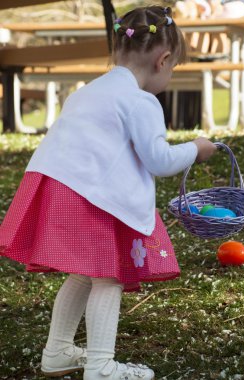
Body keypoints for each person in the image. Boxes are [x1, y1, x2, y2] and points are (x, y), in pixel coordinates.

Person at [0, 6, 216, 380]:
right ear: (163, 60)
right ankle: (100, 365)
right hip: (90, 195)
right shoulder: (141, 101)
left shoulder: (89, 91)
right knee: (110, 276)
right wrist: (196, 148)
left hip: (56, 186)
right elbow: (159, 160)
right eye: (174, 67)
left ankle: (57, 352)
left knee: (84, 274)